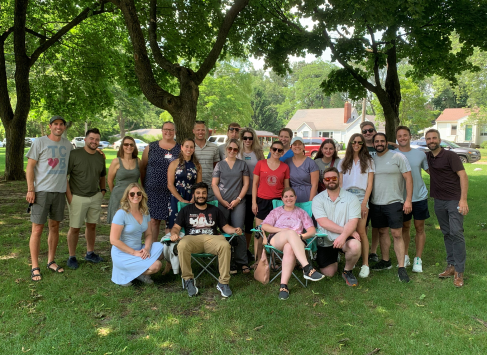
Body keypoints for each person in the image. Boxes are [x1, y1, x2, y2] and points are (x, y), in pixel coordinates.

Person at [169, 182, 243, 298]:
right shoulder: (186, 210)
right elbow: (176, 227)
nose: (201, 195)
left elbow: (225, 227)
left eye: (204, 193)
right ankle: (188, 280)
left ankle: (223, 283)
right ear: (194, 194)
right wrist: (174, 234)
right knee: (182, 245)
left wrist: (235, 230)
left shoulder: (215, 210)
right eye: (198, 193)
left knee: (225, 245)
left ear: (207, 194)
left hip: (212, 239)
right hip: (192, 239)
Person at [26, 116, 72, 281]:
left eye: (61, 124)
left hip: (59, 192)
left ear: (64, 127)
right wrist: (31, 189)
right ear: (50, 126)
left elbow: (68, 171)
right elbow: (30, 167)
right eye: (56, 124)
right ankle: (34, 266)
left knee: (54, 227)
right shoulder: (39, 142)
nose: (59, 127)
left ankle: (51, 261)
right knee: (37, 229)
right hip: (41, 192)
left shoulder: (67, 145)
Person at [262, 187, 325, 300]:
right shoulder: (276, 211)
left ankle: (283, 286)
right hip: (277, 238)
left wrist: (300, 236)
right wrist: (284, 231)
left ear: (295, 197)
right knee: (290, 233)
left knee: (289, 247)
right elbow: (265, 226)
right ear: (282, 198)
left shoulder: (301, 212)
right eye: (286, 196)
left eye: (291, 196)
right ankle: (307, 268)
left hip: (296, 241)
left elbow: (311, 231)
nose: (289, 198)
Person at [425, 129, 468, 287]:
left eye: (434, 138)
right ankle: (451, 266)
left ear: (439, 139)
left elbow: (463, 175)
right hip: (439, 201)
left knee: (456, 232)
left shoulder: (450, 155)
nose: (431, 141)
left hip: (454, 200)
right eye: (428, 139)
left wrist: (463, 200)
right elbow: (409, 152)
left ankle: (459, 271)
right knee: (447, 233)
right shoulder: (428, 156)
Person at [369, 133, 413, 283]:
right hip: (376, 202)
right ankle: (386, 261)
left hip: (394, 201)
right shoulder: (371, 159)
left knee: (396, 233)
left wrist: (408, 200)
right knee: (382, 231)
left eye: (382, 141)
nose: (379, 143)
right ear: (373, 143)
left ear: (386, 143)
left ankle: (401, 268)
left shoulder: (398, 157)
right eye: (377, 141)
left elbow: (408, 178)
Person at [312, 167, 362, 287]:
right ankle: (334, 257)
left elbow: (353, 222)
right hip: (326, 239)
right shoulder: (318, 199)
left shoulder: (352, 198)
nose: (331, 181)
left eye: (334, 178)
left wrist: (344, 236)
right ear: (323, 181)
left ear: (339, 179)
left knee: (355, 246)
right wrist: (348, 232)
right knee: (329, 273)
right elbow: (323, 222)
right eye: (327, 179)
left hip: (344, 238)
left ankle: (347, 271)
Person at [66, 128, 107, 270]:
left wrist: (102, 191)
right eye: (91, 139)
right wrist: (69, 196)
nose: (94, 141)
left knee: (92, 225)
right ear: (85, 139)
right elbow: (65, 176)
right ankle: (72, 256)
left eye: (96, 139)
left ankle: (90, 253)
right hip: (77, 196)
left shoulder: (100, 156)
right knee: (75, 227)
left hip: (94, 196)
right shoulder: (74, 154)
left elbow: (102, 176)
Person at [110, 183, 164, 286]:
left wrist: (147, 249)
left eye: (139, 193)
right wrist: (134, 253)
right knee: (156, 266)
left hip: (139, 249)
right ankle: (135, 273)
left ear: (142, 195)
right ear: (127, 196)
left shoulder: (145, 212)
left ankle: (137, 272)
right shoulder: (121, 214)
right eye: (132, 194)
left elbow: (148, 234)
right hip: (123, 253)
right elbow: (114, 240)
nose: (136, 196)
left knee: (162, 248)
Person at [337, 133, 374, 278]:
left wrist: (364, 203)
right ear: (350, 143)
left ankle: (365, 264)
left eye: (359, 142)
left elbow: (370, 184)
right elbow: (340, 183)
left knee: (361, 230)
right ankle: (346, 255)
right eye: (354, 142)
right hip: (345, 196)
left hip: (360, 197)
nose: (356, 144)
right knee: (344, 228)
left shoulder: (369, 161)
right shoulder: (343, 161)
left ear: (363, 144)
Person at [212, 138, 250, 274]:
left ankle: (242, 261)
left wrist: (238, 199)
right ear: (226, 149)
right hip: (223, 201)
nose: (232, 151)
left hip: (238, 202)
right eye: (230, 149)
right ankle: (227, 260)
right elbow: (214, 184)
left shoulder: (242, 165)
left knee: (238, 230)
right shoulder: (220, 165)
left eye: (235, 149)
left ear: (238, 150)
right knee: (224, 231)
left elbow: (246, 184)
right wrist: (221, 201)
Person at [360, 121, 396, 262]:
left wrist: (395, 144)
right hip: (364, 190)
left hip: (381, 190)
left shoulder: (386, 146)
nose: (368, 133)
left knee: (377, 224)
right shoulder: (361, 148)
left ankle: (373, 252)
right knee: (364, 224)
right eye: (365, 131)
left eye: (371, 130)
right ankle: (363, 249)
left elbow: (395, 146)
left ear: (375, 131)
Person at [396, 126, 430, 273]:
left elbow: (431, 172)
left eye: (405, 135)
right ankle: (405, 255)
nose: (402, 138)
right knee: (405, 227)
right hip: (400, 198)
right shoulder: (392, 154)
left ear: (410, 137)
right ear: (397, 138)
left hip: (419, 197)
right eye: (399, 136)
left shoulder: (420, 154)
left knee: (419, 228)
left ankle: (418, 258)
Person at [140, 121, 180, 241]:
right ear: (162, 131)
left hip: (172, 190)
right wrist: (144, 185)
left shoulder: (180, 148)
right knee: (153, 221)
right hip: (153, 191)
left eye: (171, 130)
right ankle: (152, 251)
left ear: (175, 132)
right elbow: (143, 167)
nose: (168, 132)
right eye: (166, 129)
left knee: (170, 221)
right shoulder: (150, 147)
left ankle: (167, 253)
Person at [252, 140, 290, 261]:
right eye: (274, 149)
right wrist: (254, 202)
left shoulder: (285, 167)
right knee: (259, 231)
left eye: (279, 150)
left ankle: (275, 259)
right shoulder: (261, 164)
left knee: (277, 232)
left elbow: (286, 187)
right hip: (262, 200)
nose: (276, 152)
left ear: (282, 152)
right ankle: (258, 260)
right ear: (270, 150)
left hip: (277, 202)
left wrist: (286, 204)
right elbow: (255, 184)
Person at [239, 127, 265, 261]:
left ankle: (248, 250)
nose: (248, 140)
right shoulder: (237, 151)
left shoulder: (258, 152)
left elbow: (264, 169)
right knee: (238, 222)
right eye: (245, 138)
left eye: (250, 138)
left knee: (249, 222)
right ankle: (238, 250)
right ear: (241, 139)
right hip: (239, 192)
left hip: (254, 192)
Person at [167, 138, 202, 229]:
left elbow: (199, 185)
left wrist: (194, 198)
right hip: (176, 197)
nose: (189, 149)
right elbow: (170, 185)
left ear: (194, 149)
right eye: (186, 146)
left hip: (192, 198)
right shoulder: (174, 164)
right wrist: (181, 200)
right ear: (181, 147)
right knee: (174, 225)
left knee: (191, 225)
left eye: (191, 147)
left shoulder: (197, 165)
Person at [107, 136, 140, 224]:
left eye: (131, 145)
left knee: (132, 224)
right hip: (118, 197)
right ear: (122, 146)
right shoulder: (116, 161)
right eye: (126, 144)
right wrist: (114, 193)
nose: (129, 147)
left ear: (134, 146)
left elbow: (142, 179)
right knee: (118, 225)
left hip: (134, 197)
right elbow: (110, 181)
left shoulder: (138, 161)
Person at [285, 137, 319, 202]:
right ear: (291, 147)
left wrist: (310, 202)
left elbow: (315, 185)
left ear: (304, 147)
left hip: (308, 195)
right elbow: (286, 184)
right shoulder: (287, 162)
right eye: (295, 144)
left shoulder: (311, 163)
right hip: (293, 197)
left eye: (300, 144)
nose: (297, 146)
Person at [193, 121, 220, 200]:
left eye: (203, 130)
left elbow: (216, 168)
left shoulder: (214, 148)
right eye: (198, 130)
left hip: (209, 187)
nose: (200, 132)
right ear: (193, 131)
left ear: (206, 131)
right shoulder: (189, 147)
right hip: (193, 187)